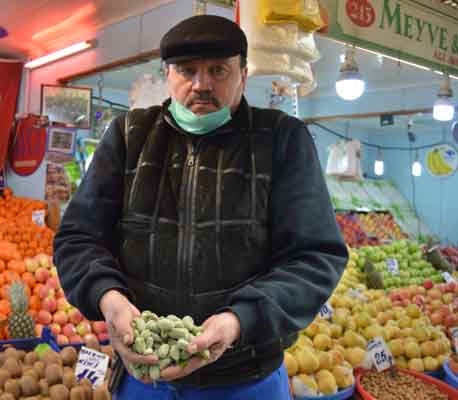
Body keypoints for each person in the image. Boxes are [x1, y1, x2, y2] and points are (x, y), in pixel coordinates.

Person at [54, 14, 348, 399]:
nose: (201, 84)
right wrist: (108, 298)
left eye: (218, 71)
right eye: (187, 70)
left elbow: (315, 257)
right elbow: (78, 238)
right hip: (145, 374)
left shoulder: (281, 140)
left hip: (247, 377)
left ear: (243, 75)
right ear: (167, 74)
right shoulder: (129, 136)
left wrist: (239, 320)